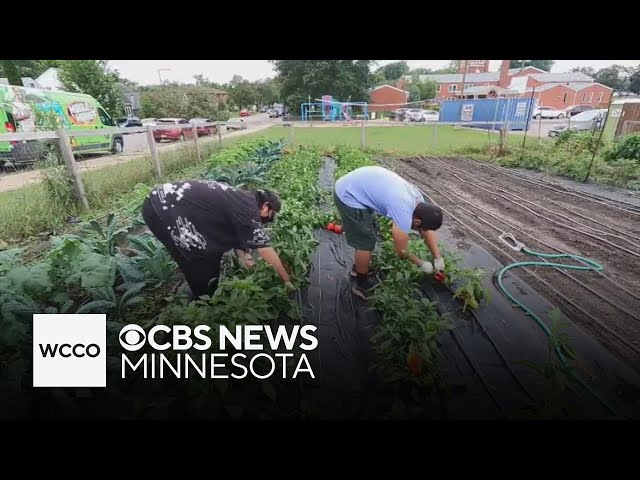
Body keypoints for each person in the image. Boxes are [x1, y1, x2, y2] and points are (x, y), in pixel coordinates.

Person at [142, 179, 295, 298]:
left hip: (166, 203)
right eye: (271, 215)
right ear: (266, 207)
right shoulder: (248, 209)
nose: (268, 220)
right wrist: (286, 280)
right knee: (198, 259)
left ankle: (205, 294)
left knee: (211, 255)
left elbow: (243, 252)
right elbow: (265, 249)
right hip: (160, 208)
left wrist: (256, 273)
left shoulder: (243, 201)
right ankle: (202, 305)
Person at [333, 166, 445, 299]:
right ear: (417, 222)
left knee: (369, 230)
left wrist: (438, 257)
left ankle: (359, 267)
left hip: (361, 184)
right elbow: (401, 251)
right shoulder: (403, 211)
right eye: (421, 229)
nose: (422, 231)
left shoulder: (419, 202)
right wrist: (421, 264)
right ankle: (360, 283)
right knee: (365, 242)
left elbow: (427, 232)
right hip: (348, 194)